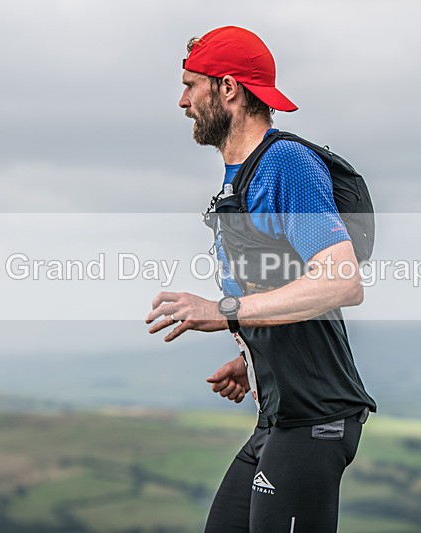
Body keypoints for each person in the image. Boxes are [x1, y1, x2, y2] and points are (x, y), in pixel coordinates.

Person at [145, 25, 376, 533]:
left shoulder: (285, 164)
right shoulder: (242, 176)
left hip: (314, 420)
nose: (182, 101)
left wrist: (223, 310)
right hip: (277, 417)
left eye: (191, 85)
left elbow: (342, 281)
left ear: (228, 88)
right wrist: (253, 353)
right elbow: (280, 285)